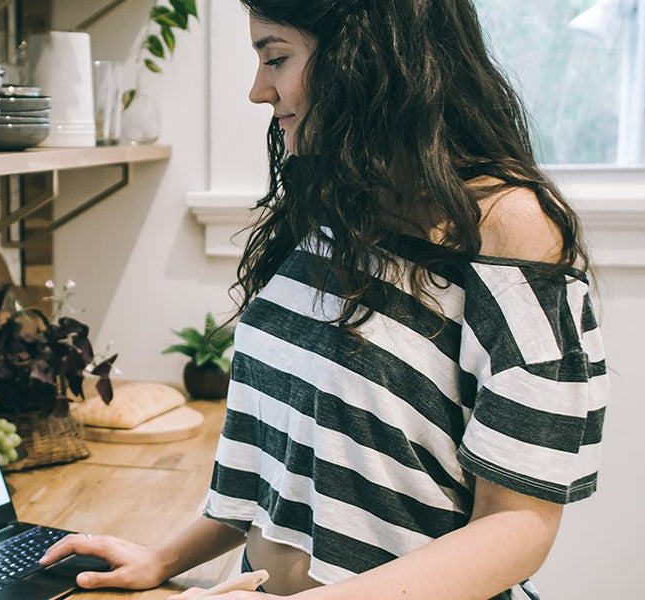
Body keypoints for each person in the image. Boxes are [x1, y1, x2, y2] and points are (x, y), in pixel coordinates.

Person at [38, 1, 608, 599]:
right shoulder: (340, 199)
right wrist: (163, 559)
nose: (260, 90)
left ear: (366, 55)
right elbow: (291, 455)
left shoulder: (512, 230)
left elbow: (519, 525)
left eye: (276, 58)